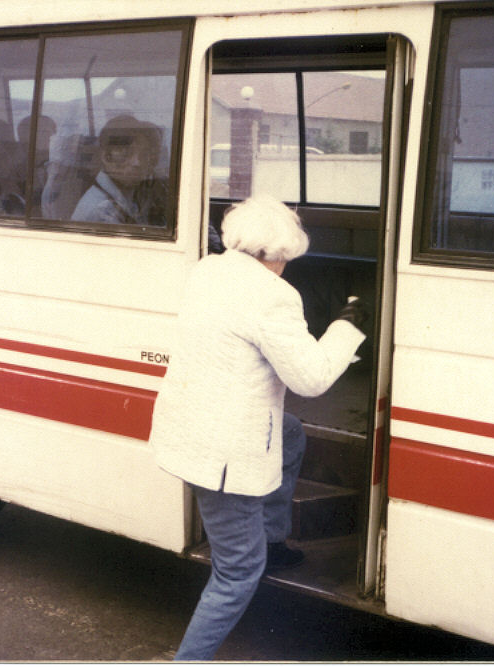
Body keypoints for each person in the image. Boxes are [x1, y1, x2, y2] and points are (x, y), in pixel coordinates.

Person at [148, 194, 369, 661]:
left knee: (291, 434)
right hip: (225, 451)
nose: (286, 266)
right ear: (276, 254)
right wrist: (347, 326)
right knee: (237, 573)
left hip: (192, 427)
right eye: (286, 258)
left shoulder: (208, 270)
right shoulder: (274, 295)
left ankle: (272, 534)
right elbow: (310, 378)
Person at [70, 114, 166, 226]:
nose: (137, 162)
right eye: (127, 154)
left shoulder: (130, 194)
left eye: (143, 154)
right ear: (106, 156)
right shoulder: (102, 210)